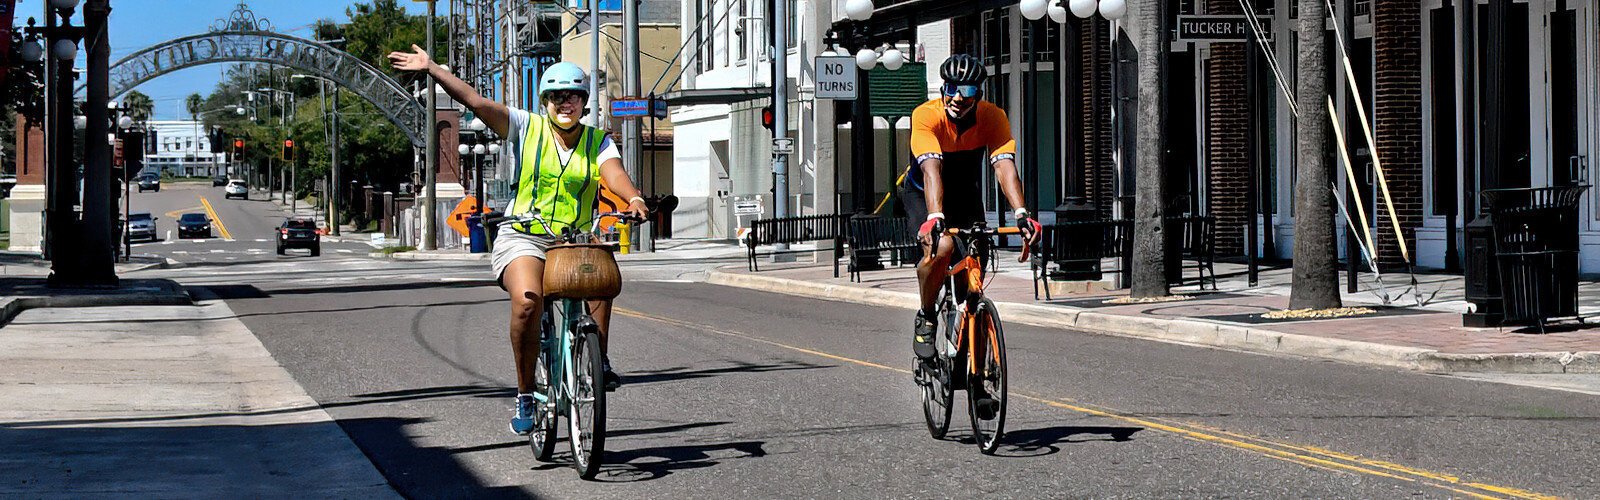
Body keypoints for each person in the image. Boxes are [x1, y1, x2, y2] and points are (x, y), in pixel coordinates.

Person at [388, 46, 649, 436]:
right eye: (557, 96)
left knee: (602, 279)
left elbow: (614, 174)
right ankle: (526, 392)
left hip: (572, 238)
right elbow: (475, 101)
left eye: (574, 96)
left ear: (583, 102)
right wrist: (432, 69)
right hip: (523, 234)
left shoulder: (599, 141)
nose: (566, 103)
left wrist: (634, 197)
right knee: (528, 302)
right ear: (545, 101)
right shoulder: (526, 127)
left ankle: (599, 363)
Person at [904, 54, 1040, 362]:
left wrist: (1022, 214)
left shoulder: (993, 117)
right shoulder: (926, 115)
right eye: (951, 88)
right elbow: (931, 170)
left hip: (965, 195)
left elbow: (1005, 166)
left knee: (973, 276)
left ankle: (977, 369)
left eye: (966, 91)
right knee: (943, 247)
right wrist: (935, 217)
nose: (957, 97)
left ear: (978, 93)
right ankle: (926, 315)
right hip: (922, 193)